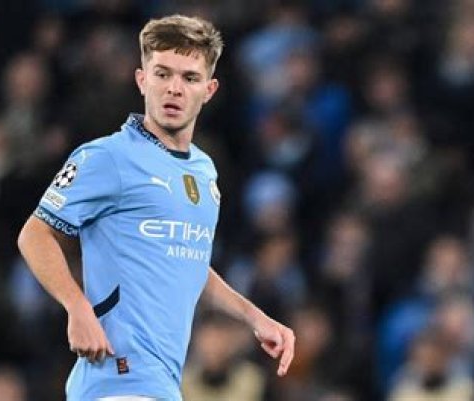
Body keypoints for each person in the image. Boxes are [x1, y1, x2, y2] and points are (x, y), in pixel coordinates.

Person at [17, 14, 295, 401]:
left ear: (209, 89)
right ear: (142, 80)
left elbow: (187, 261)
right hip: (117, 377)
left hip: (161, 384)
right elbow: (34, 233)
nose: (174, 89)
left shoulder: (204, 171)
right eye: (163, 74)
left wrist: (254, 317)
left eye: (189, 78)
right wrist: (76, 307)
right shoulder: (108, 157)